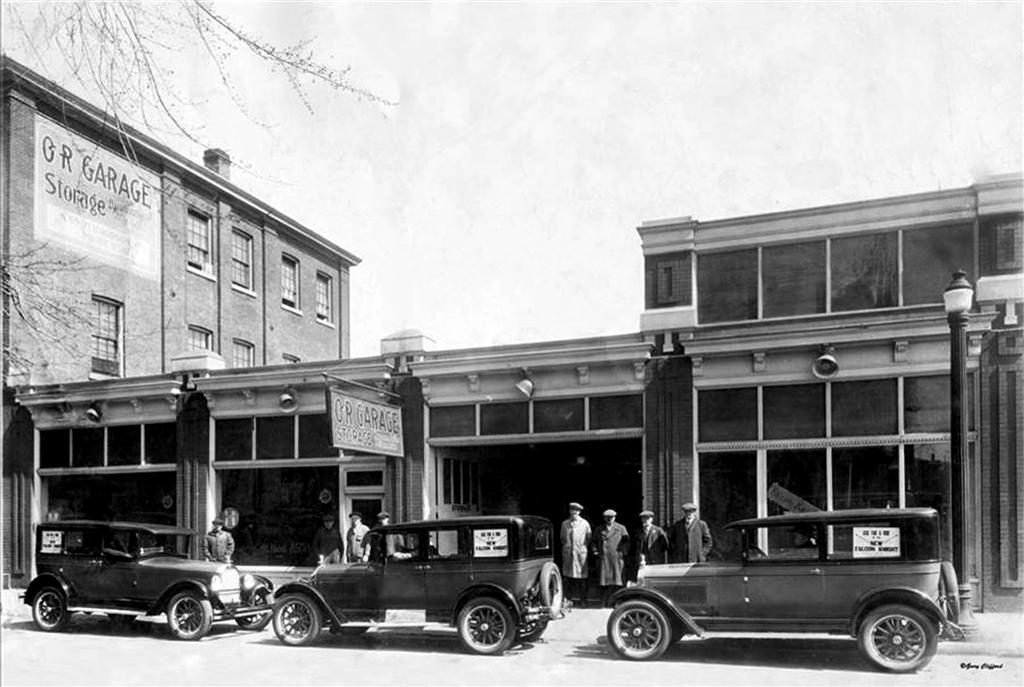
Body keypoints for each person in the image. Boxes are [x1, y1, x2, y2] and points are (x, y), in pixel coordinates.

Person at [592, 509, 630, 606]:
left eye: (611, 518)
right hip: (604, 558)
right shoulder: (599, 529)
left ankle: (617, 602)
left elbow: (627, 542)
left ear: (615, 518)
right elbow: (594, 541)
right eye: (607, 518)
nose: (609, 519)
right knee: (604, 581)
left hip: (616, 558)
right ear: (604, 518)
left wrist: (622, 552)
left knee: (617, 581)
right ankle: (604, 601)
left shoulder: (621, 528)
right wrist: (595, 551)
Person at [560, 502, 591, 606]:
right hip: (568, 553)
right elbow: (562, 539)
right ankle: (568, 599)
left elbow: (588, 538)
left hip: (580, 553)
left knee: (582, 577)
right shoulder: (565, 524)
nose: (574, 512)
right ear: (570, 511)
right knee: (567, 578)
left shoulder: (585, 523)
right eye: (572, 510)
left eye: (576, 510)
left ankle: (583, 600)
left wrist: (581, 547)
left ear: (579, 512)